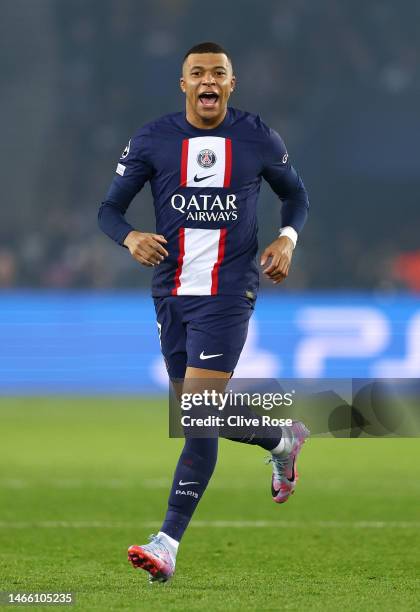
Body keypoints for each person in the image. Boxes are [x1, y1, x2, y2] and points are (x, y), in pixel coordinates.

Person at [98, 41, 310, 583]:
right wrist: (129, 239)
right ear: (184, 84)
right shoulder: (153, 139)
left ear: (231, 85)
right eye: (198, 73)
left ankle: (166, 544)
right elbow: (109, 209)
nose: (208, 80)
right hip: (171, 292)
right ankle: (281, 438)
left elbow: (296, 196)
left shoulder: (258, 137)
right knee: (194, 413)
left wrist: (286, 239)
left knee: (194, 416)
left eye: (218, 73)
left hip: (228, 292)